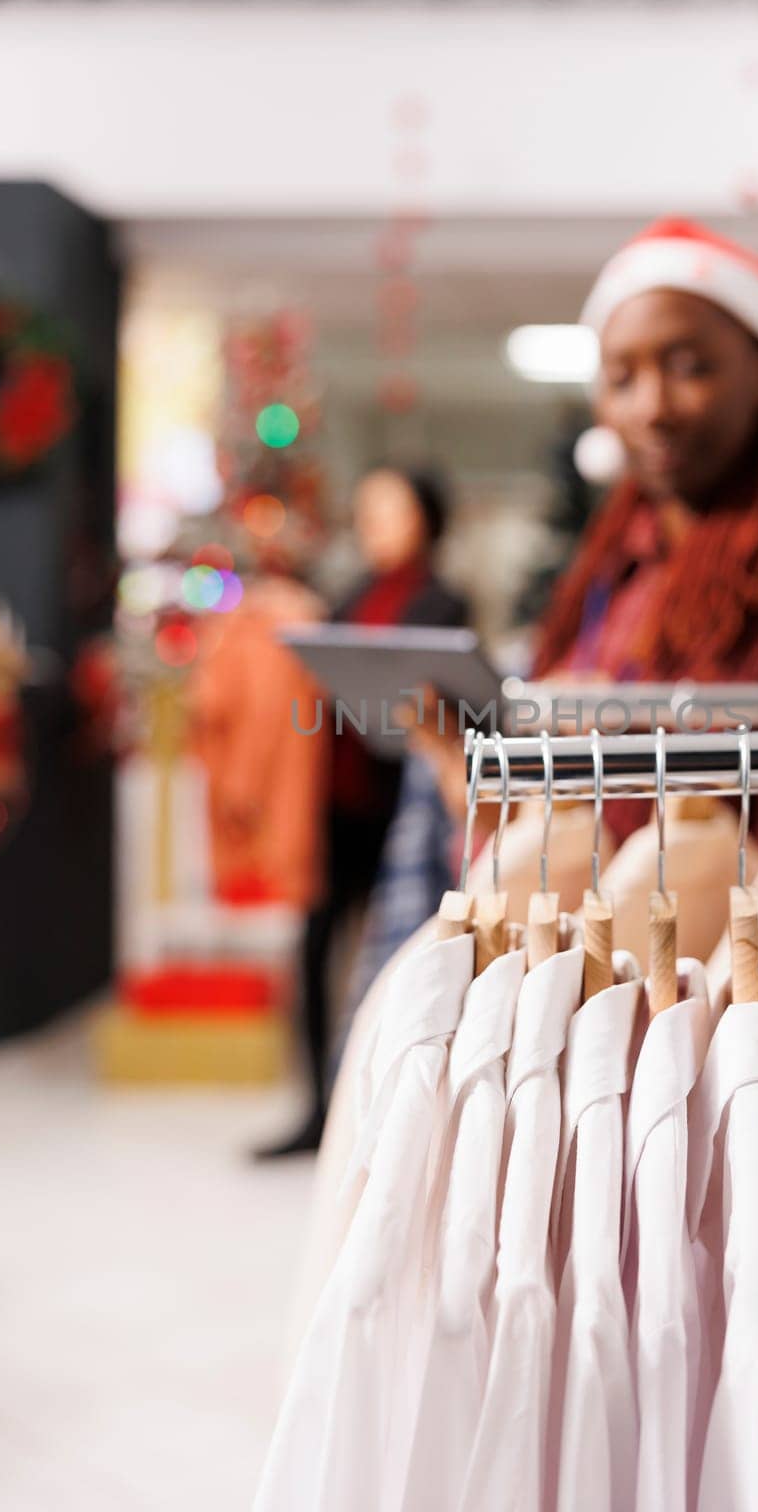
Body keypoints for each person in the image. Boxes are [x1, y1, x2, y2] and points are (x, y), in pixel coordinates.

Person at [411, 217, 758, 847]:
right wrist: (482, 793)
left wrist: (629, 744)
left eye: (690, 367)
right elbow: (555, 852)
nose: (652, 407)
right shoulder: (616, 576)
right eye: (621, 379)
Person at [257, 464, 468, 1158]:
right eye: (367, 506)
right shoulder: (346, 598)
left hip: (398, 808)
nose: (373, 519)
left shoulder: (442, 603)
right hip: (337, 804)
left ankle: (385, 1112)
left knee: (396, 954)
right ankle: (319, 1109)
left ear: (424, 518)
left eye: (390, 506)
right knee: (316, 947)